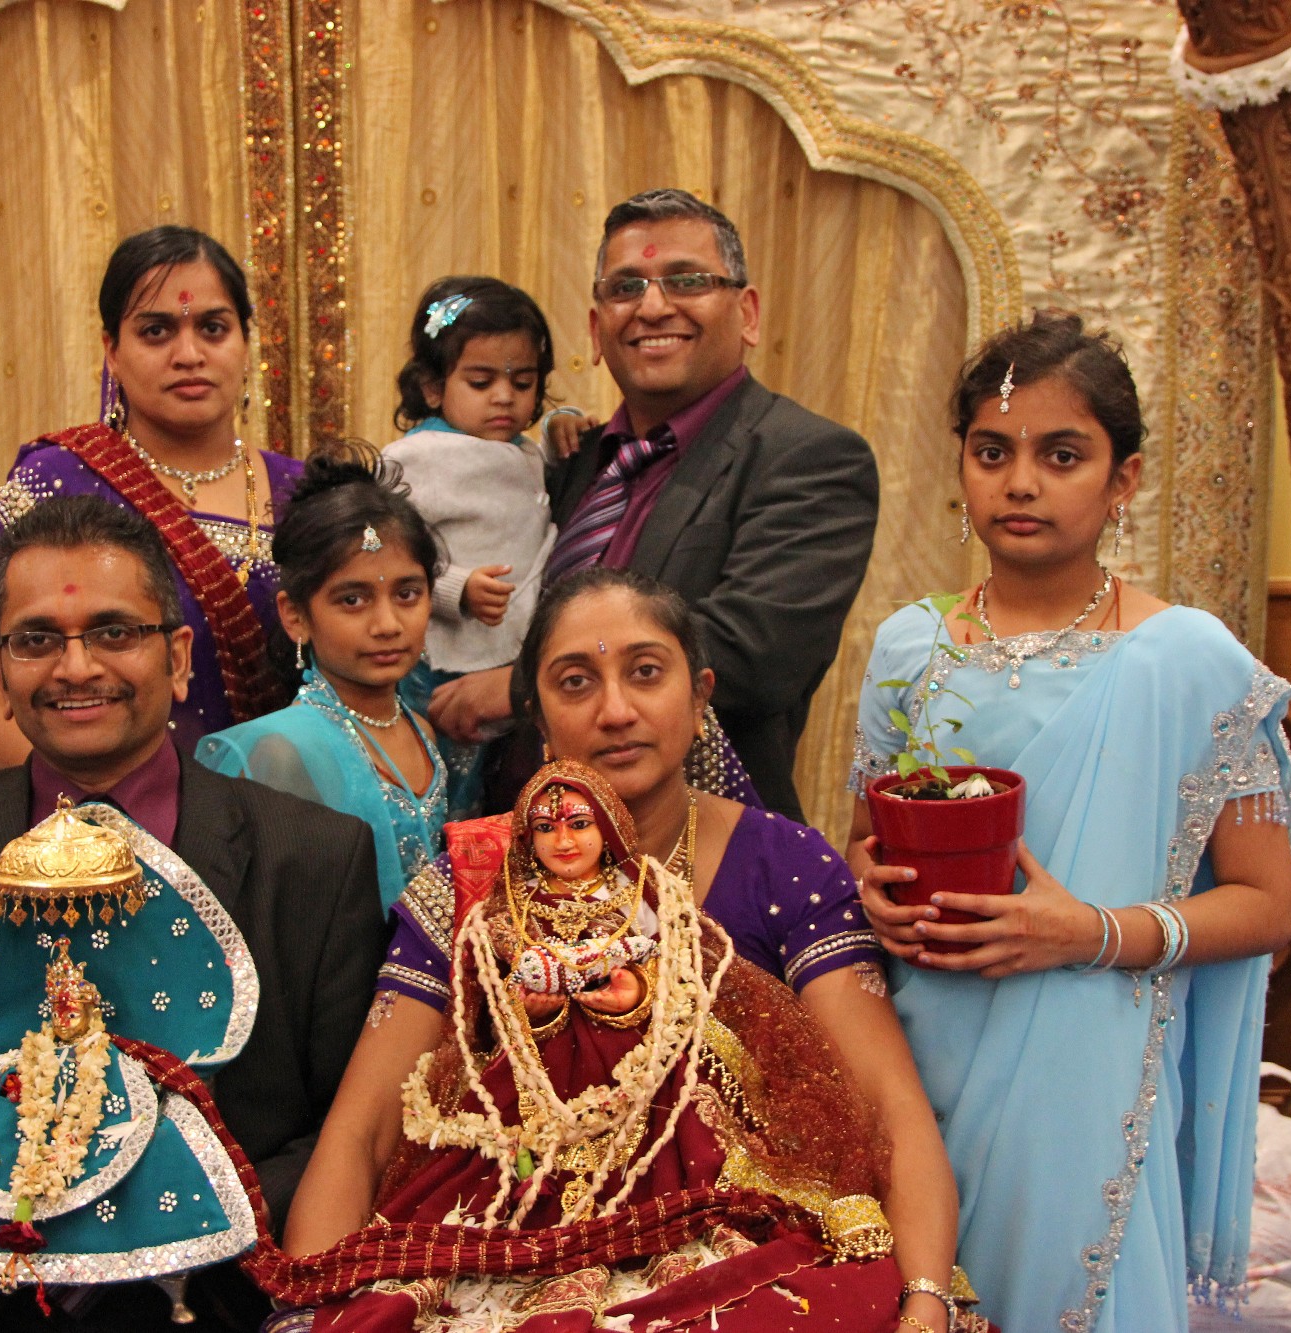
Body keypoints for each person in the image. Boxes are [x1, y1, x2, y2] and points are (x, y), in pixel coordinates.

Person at [264, 569, 967, 1333]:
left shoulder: (783, 867)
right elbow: (364, 1129)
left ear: (700, 698)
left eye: (645, 671)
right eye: (576, 681)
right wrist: (304, 1311)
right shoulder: (475, 878)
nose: (616, 710)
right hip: (497, 1251)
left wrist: (926, 1302)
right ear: (538, 718)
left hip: (738, 1253)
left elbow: (888, 1107)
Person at [0, 495, 386, 1331]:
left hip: (203, 1290)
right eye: (36, 640)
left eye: (114, 631)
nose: (76, 668)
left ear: (176, 658)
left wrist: (148, 1213)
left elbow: (350, 1133)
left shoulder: (311, 858)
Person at [846, 312, 1291, 1332]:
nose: (1018, 482)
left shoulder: (1190, 661)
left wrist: (1091, 932)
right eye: (990, 451)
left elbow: (1265, 906)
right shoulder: (910, 647)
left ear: (1122, 478)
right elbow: (865, 838)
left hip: (1088, 1059)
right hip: (923, 1041)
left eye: (1061, 455)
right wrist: (867, 884)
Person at [427, 189, 879, 821]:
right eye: (626, 287)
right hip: (522, 843)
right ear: (596, 327)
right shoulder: (572, 460)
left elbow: (756, 652)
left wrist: (520, 687)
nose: (653, 306)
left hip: (695, 861)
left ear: (747, 314)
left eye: (687, 280)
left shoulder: (808, 457)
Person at [0, 226, 303, 769]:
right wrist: (129, 834)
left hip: (291, 826)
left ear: (245, 343)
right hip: (110, 837)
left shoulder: (304, 494)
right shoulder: (54, 484)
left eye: (213, 328)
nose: (189, 354)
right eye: (156, 331)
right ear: (111, 351)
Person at [196, 455, 448, 910]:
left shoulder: (421, 731)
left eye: (407, 594)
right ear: (296, 617)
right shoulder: (279, 751)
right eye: (353, 600)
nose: (388, 624)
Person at [383, 275, 562, 815]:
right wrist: (456, 589)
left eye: (523, 382)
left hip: (512, 664)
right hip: (439, 662)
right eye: (481, 382)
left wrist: (567, 425)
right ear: (434, 387)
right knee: (440, 792)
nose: (505, 397)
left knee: (503, 796)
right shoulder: (418, 458)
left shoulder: (525, 450)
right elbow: (384, 558)